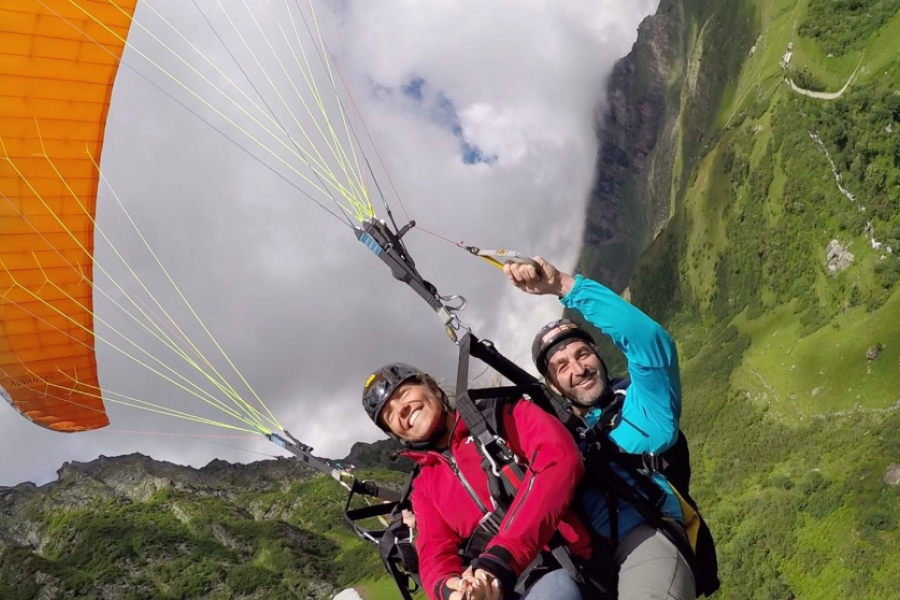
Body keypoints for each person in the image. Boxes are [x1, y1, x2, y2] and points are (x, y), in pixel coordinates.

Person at [504, 257, 698, 600]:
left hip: (645, 535)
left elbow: (651, 342)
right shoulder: (549, 434)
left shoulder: (641, 408)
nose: (578, 368)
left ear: (599, 355)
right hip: (576, 561)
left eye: (583, 354)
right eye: (561, 365)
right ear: (552, 385)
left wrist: (564, 286)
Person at [361, 363, 602, 600]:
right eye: (389, 414)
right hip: (498, 584)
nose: (401, 410)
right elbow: (433, 554)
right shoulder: (423, 485)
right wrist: (452, 590)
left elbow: (558, 459)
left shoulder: (498, 415)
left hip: (565, 562)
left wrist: (501, 557)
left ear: (431, 387)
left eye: (403, 393)